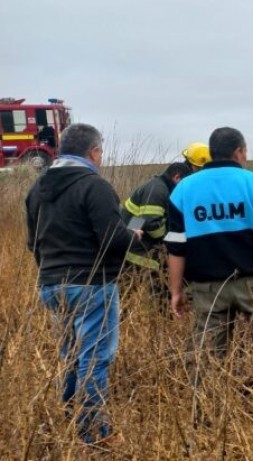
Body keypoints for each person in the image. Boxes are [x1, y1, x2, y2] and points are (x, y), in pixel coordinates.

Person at [165, 127, 253, 401]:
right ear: (239, 151)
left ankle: (206, 415)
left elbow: (176, 248)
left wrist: (175, 291)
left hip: (206, 289)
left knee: (207, 356)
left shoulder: (183, 190)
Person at [25, 123, 141, 445]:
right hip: (91, 285)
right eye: (100, 152)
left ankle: (69, 417)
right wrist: (134, 237)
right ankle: (94, 432)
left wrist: (50, 274)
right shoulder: (94, 186)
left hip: (51, 285)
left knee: (71, 355)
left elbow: (33, 243)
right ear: (93, 152)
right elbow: (113, 240)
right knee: (94, 358)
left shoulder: (37, 189)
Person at [120, 162, 194, 302]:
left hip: (135, 246)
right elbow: (152, 226)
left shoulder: (158, 186)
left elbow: (140, 220)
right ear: (177, 178)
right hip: (137, 252)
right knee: (154, 294)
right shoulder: (158, 191)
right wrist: (171, 237)